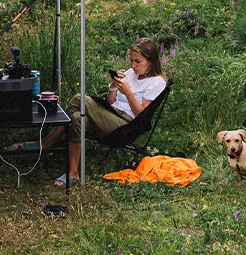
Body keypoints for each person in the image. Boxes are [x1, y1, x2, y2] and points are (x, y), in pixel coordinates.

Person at [26, 37, 169, 186]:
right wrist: (113, 86)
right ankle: (73, 173)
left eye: (137, 61)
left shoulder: (157, 82)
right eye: (132, 61)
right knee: (76, 118)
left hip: (125, 126)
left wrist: (128, 93)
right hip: (110, 114)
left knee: (78, 99)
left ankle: (47, 142)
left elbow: (142, 116)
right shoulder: (131, 73)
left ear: (150, 61)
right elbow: (111, 101)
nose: (133, 65)